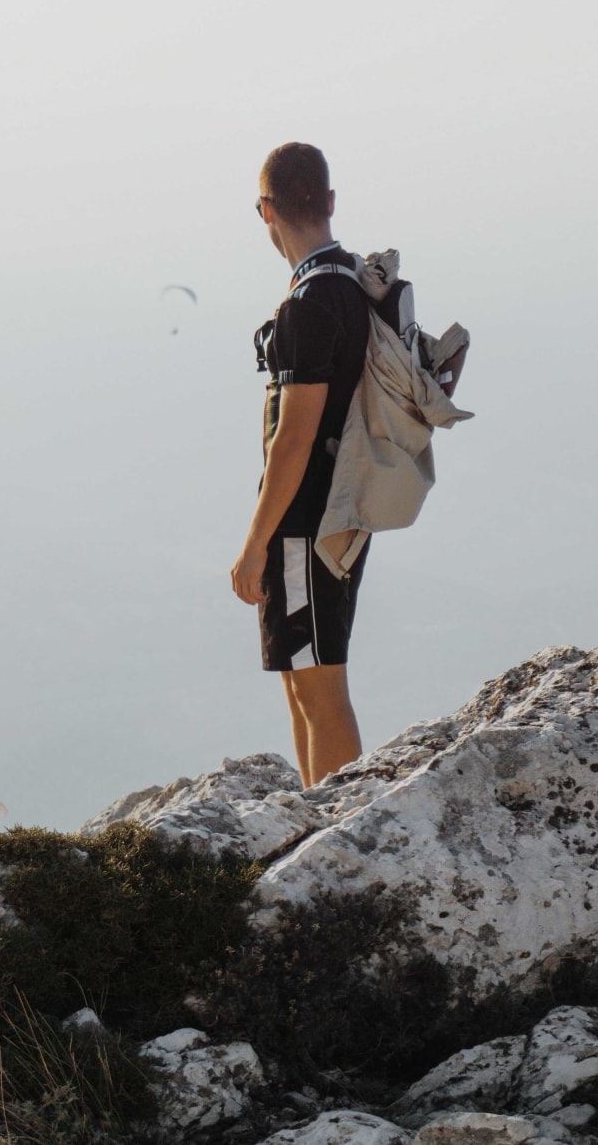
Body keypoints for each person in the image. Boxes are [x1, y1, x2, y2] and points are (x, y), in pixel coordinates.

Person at [229, 142, 372, 787]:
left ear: (266, 210)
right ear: (330, 202)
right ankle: (318, 813)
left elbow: (294, 438)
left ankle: (341, 831)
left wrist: (255, 544)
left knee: (318, 687)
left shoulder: (307, 305)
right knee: (298, 679)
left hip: (306, 520)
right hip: (342, 502)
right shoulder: (352, 281)